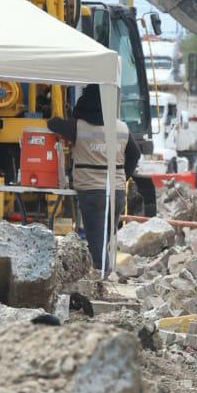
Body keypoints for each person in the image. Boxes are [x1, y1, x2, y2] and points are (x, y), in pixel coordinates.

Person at [48, 84, 141, 272]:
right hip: (116, 190)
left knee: (96, 239)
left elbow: (53, 123)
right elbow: (135, 154)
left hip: (91, 191)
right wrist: (122, 177)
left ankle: (101, 277)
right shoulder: (122, 128)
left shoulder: (78, 127)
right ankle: (104, 273)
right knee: (105, 237)